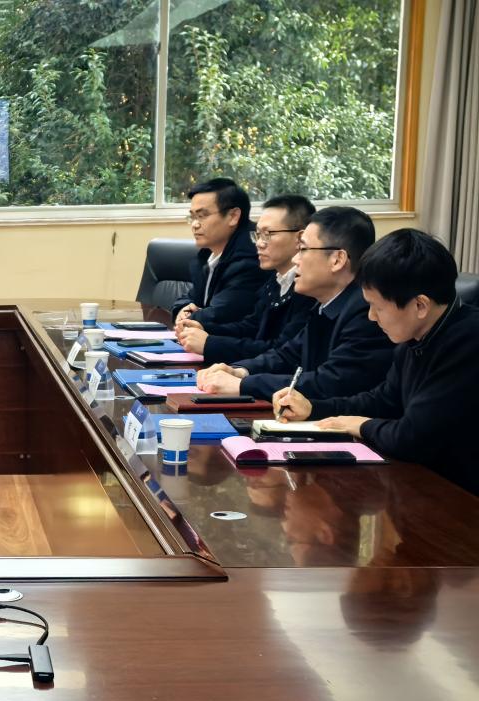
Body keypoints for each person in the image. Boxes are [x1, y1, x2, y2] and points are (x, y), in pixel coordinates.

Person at [273, 229, 479, 495]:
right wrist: (314, 408)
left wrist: (360, 425)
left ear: (420, 305)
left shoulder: (468, 342)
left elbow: (411, 438)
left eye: (377, 307)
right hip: (430, 483)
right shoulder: (416, 335)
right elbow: (383, 401)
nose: (371, 316)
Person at [197, 206, 394, 401]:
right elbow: (288, 356)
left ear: (337, 260)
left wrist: (243, 385)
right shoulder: (324, 304)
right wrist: (240, 371)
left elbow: (329, 383)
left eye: (303, 250)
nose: (295, 259)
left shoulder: (366, 312)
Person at [176, 194, 316, 361]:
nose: (259, 243)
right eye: (258, 234)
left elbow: (281, 352)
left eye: (268, 234)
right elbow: (251, 327)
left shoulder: (309, 288)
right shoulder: (276, 279)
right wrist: (204, 328)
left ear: (299, 238)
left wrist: (210, 343)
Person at [171, 177, 272, 328]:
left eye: (202, 216)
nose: (195, 225)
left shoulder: (252, 257)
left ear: (233, 216)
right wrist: (181, 309)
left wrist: (188, 317)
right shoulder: (207, 254)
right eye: (192, 217)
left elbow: (221, 314)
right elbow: (191, 297)